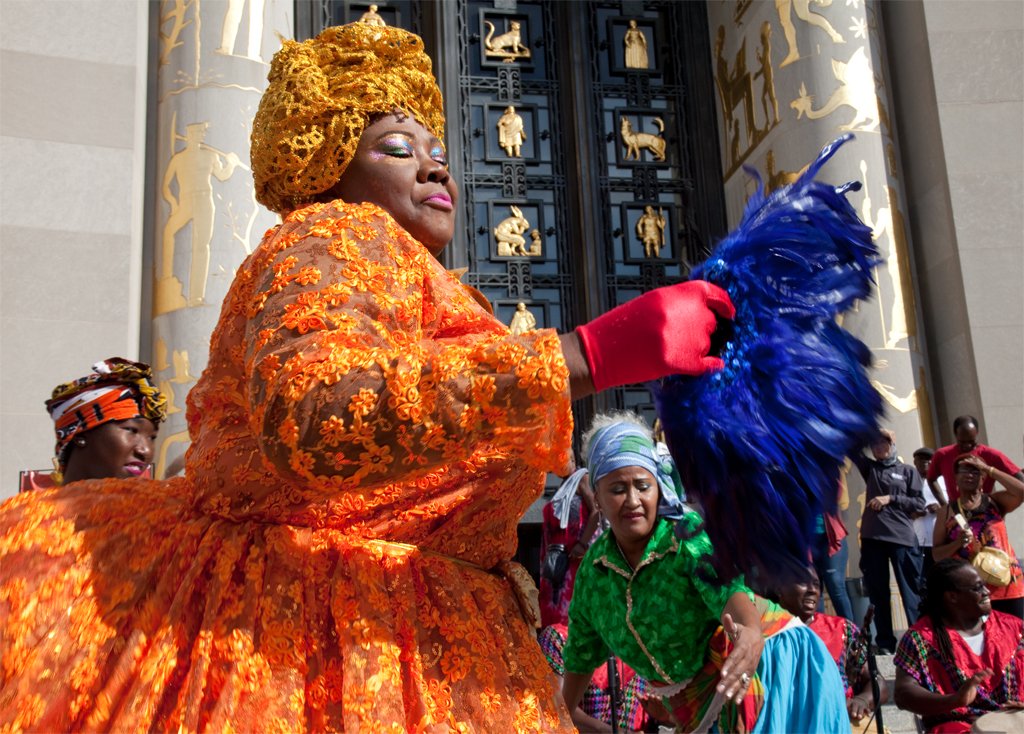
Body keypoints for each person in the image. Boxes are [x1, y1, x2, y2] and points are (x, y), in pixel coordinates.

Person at [0, 23, 735, 731]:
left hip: (422, 635)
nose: (436, 165)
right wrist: (585, 355)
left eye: (437, 150)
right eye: (395, 147)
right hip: (323, 642)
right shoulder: (334, 233)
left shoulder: (419, 277)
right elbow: (317, 410)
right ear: (330, 168)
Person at [562, 413, 847, 733]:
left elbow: (730, 593)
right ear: (597, 497)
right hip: (695, 700)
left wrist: (750, 633)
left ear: (658, 488)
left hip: (772, 665)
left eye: (643, 486)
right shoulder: (593, 575)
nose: (633, 501)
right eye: (616, 489)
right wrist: (559, 714)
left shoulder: (686, 535)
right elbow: (580, 656)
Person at [894, 558, 1024, 733]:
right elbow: (903, 694)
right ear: (952, 596)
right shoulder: (921, 638)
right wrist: (954, 700)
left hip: (1015, 719)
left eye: (984, 585)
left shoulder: (1013, 627)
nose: (987, 592)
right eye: (977, 588)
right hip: (956, 724)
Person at [775, 566, 888, 725]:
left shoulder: (842, 629)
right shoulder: (767, 633)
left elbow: (878, 683)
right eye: (803, 583)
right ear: (780, 588)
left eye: (816, 584)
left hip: (838, 721)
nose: (812, 590)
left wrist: (862, 699)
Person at [851, 428, 926, 652]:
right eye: (875, 444)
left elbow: (919, 504)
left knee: (910, 591)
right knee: (878, 592)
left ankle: (919, 639)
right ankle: (885, 642)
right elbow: (852, 448)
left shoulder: (907, 471)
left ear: (892, 445)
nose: (878, 448)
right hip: (873, 537)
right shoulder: (870, 469)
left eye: (883, 444)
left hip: (902, 538)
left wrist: (890, 498)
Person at [45, 357, 166, 484]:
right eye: (131, 430)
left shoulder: (164, 503)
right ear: (80, 435)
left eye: (152, 437)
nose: (145, 450)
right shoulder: (32, 504)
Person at [932, 453, 1024, 618]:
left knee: (1017, 639)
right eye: (964, 471)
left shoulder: (995, 502)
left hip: (1007, 587)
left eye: (975, 471)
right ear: (955, 478)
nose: (969, 475)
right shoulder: (945, 512)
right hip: (970, 593)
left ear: (983, 479)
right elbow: (937, 555)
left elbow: (1021, 491)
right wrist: (957, 544)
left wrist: (989, 469)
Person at [538, 623, 655, 732]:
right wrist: (607, 730)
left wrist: (665, 717)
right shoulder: (559, 638)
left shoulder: (646, 648)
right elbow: (556, 708)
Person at [539, 468, 601, 628]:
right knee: (553, 613)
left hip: (576, 559)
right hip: (557, 562)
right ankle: (555, 651)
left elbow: (596, 511)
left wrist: (582, 544)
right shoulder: (562, 486)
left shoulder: (582, 478)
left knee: (574, 613)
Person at [927, 415, 1023, 505]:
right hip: (956, 512)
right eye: (962, 442)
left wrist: (999, 499)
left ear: (977, 433)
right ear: (955, 434)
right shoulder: (942, 454)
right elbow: (931, 479)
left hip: (985, 511)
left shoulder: (992, 455)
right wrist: (945, 505)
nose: (967, 446)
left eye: (971, 441)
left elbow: (1019, 478)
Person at [811, 479, 856, 621]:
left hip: (830, 540)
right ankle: (820, 636)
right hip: (807, 543)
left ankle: (851, 636)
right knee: (813, 589)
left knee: (836, 587)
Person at [913, 447, 944, 580]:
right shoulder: (910, 481)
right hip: (920, 541)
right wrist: (914, 512)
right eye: (920, 460)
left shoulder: (943, 480)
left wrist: (941, 507)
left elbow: (954, 504)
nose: (925, 463)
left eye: (928, 460)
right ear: (915, 462)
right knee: (923, 580)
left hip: (942, 540)